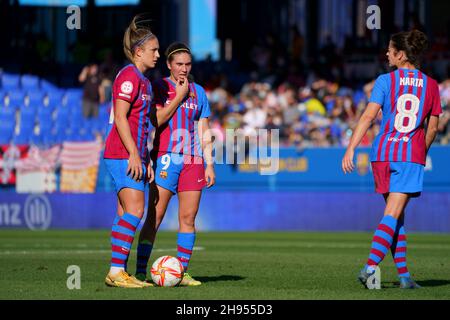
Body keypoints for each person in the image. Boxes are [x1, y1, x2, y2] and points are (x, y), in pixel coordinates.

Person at [342, 30, 442, 289]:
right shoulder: (431, 85)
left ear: (401, 54)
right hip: (408, 155)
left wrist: (350, 148)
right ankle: (370, 267)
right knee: (393, 214)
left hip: (382, 154)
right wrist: (421, 150)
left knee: (395, 217)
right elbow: (432, 128)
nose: (386, 53)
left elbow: (367, 117)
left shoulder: (385, 81)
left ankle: (405, 276)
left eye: (390, 50)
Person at [135, 42, 215, 286]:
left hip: (193, 161)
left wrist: (209, 164)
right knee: (154, 218)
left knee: (188, 218)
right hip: (166, 157)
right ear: (169, 65)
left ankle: (181, 273)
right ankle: (139, 271)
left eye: (187, 64)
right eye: (179, 64)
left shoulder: (199, 92)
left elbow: (204, 129)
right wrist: (179, 96)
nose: (183, 69)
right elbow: (156, 120)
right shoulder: (158, 88)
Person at [102, 15, 161, 288]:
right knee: (136, 210)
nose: (158, 55)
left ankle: (120, 271)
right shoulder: (128, 76)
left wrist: (145, 157)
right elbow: (122, 117)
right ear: (139, 52)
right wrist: (134, 155)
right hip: (121, 154)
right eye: (154, 50)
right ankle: (116, 272)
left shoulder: (145, 82)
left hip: (133, 154)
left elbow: (144, 126)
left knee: (124, 211)